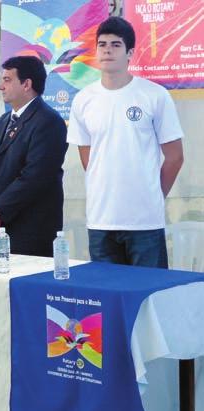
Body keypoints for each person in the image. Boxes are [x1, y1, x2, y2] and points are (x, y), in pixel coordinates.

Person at [67, 17, 184, 268]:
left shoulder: (154, 95)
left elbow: (175, 157)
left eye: (116, 45)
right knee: (107, 300)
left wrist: (153, 194)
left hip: (145, 222)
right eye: (102, 44)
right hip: (101, 221)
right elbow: (89, 159)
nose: (107, 49)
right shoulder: (83, 100)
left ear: (130, 52)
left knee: (149, 298)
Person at [0, 56, 68, 257]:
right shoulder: (0, 123)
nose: (0, 87)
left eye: (7, 80)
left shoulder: (49, 122)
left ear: (26, 84)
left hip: (31, 233)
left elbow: (35, 177)